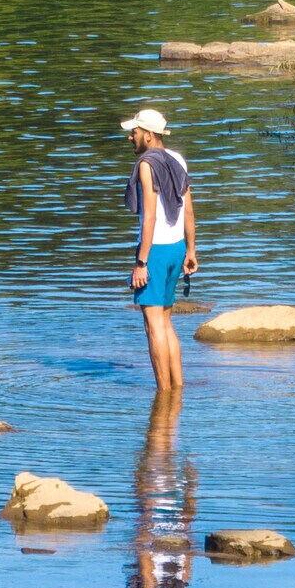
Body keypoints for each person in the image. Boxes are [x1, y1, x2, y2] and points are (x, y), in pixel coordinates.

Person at [123, 108, 197, 391]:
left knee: (153, 326)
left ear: (149, 135)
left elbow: (150, 217)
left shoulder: (146, 165)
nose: (131, 137)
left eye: (135, 132)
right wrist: (191, 251)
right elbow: (188, 210)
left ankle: (164, 394)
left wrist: (141, 263)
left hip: (154, 251)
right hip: (177, 248)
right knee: (165, 322)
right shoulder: (177, 159)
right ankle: (177, 389)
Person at [126, 391, 195, 588]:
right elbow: (147, 574)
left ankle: (169, 403)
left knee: (165, 446)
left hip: (175, 525)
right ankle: (167, 402)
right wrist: (143, 526)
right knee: (156, 443)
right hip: (155, 521)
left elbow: (186, 569)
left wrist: (191, 503)